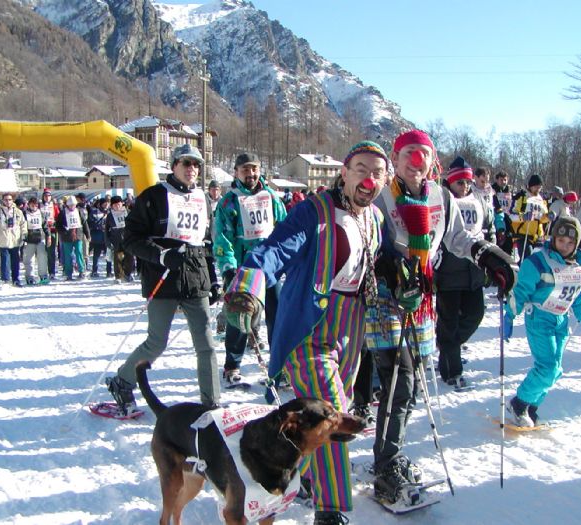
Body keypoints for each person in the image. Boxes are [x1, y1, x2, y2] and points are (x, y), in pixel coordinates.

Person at [224, 140, 388, 525]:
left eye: (377, 173)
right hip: (309, 326)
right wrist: (248, 286)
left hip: (352, 326)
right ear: (344, 173)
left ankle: (306, 474)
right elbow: (275, 249)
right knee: (330, 414)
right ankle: (329, 510)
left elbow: (382, 262)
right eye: (361, 170)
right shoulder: (314, 211)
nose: (369, 179)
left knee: (334, 409)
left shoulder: (376, 218)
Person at [372, 130, 516, 505]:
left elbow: (457, 239)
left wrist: (487, 255)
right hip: (385, 298)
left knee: (414, 383)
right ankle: (385, 465)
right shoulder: (381, 196)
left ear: (432, 160)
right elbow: (366, 242)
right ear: (395, 158)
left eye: (423, 153)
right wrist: (386, 267)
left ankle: (391, 453)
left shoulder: (441, 196)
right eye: (408, 153)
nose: (416, 161)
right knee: (399, 380)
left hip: (421, 296)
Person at [106, 144, 220, 414]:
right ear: (174, 165)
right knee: (156, 342)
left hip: (196, 277)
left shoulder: (203, 199)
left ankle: (211, 404)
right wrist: (161, 255)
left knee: (206, 344)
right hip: (163, 277)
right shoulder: (154, 196)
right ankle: (123, 380)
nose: (192, 169)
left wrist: (213, 279)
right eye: (186, 163)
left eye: (196, 164)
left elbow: (206, 243)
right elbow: (131, 239)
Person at [504, 216, 581, 426]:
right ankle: (519, 403)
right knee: (548, 367)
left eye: (570, 243)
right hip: (539, 317)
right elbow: (521, 290)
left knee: (556, 370)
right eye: (561, 240)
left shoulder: (576, 267)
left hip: (561, 320)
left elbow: (580, 297)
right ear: (553, 238)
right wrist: (510, 315)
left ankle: (531, 406)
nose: (565, 246)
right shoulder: (539, 262)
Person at [213, 152, 287, 385]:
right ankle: (232, 365)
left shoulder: (272, 197)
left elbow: (284, 228)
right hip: (244, 270)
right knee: (240, 317)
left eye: (254, 169)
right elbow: (222, 237)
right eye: (245, 169)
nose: (251, 174)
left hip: (271, 268)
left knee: (278, 317)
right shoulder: (229, 202)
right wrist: (228, 268)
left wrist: (287, 260)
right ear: (236, 172)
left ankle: (279, 366)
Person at [435, 156, 495, 387]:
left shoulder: (478, 201)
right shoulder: (442, 200)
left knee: (475, 315)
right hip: (448, 274)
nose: (465, 186)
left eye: (468, 182)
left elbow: (488, 228)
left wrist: (491, 257)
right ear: (450, 182)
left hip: (474, 272)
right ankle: (452, 370)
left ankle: (448, 348)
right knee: (449, 322)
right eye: (460, 182)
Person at [0, 193, 28, 286]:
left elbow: (23, 224)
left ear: (12, 200)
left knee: (15, 261)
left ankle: (16, 279)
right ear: (3, 201)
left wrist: (24, 236)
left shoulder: (18, 212)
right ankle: (5, 279)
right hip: (3, 240)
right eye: (6, 200)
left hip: (15, 240)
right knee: (5, 261)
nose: (8, 201)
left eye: (10, 199)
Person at [510, 174, 549, 260]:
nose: (538, 189)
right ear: (530, 186)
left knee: (538, 261)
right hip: (523, 234)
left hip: (537, 236)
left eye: (539, 187)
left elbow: (543, 218)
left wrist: (548, 217)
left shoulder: (541, 200)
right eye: (536, 187)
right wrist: (523, 217)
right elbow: (511, 216)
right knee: (527, 258)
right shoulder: (522, 197)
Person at [56, 195, 90, 280]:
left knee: (79, 253)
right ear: (67, 205)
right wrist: (63, 232)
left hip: (78, 236)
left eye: (73, 205)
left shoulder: (79, 212)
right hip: (67, 237)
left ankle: (82, 271)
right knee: (68, 256)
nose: (72, 206)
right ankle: (68, 273)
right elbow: (58, 225)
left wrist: (88, 234)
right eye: (70, 205)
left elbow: (84, 223)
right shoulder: (63, 213)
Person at [105, 195, 134, 283]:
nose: (117, 206)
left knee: (129, 257)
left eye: (118, 204)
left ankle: (128, 274)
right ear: (112, 206)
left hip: (128, 238)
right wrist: (108, 241)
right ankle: (118, 276)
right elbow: (106, 230)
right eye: (115, 205)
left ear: (122, 203)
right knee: (117, 258)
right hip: (116, 239)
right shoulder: (110, 215)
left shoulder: (128, 212)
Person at [22, 197, 50, 285]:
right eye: (32, 204)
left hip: (40, 238)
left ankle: (43, 276)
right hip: (29, 239)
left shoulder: (40, 213)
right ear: (29, 204)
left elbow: (45, 226)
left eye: (36, 205)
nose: (34, 206)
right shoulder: (24, 214)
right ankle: (30, 277)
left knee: (42, 257)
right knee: (29, 259)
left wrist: (48, 235)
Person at [39, 189, 60, 279]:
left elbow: (58, 217)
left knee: (51, 252)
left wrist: (56, 224)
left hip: (52, 231)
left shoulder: (54, 206)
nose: (47, 198)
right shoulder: (39, 206)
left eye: (49, 196)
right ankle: (43, 272)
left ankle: (52, 272)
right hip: (41, 231)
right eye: (45, 196)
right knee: (42, 253)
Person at [491, 170, 514, 254]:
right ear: (497, 180)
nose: (504, 182)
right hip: (495, 219)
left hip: (507, 219)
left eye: (505, 180)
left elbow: (512, 205)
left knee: (508, 243)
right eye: (501, 180)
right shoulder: (492, 190)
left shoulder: (508, 191)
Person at [88, 198, 111, 278]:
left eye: (107, 203)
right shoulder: (94, 212)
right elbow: (90, 223)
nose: (106, 205)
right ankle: (94, 271)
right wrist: (99, 226)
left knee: (108, 255)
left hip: (107, 237)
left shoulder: (110, 212)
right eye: (105, 203)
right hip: (97, 237)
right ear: (100, 204)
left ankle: (109, 272)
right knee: (96, 255)